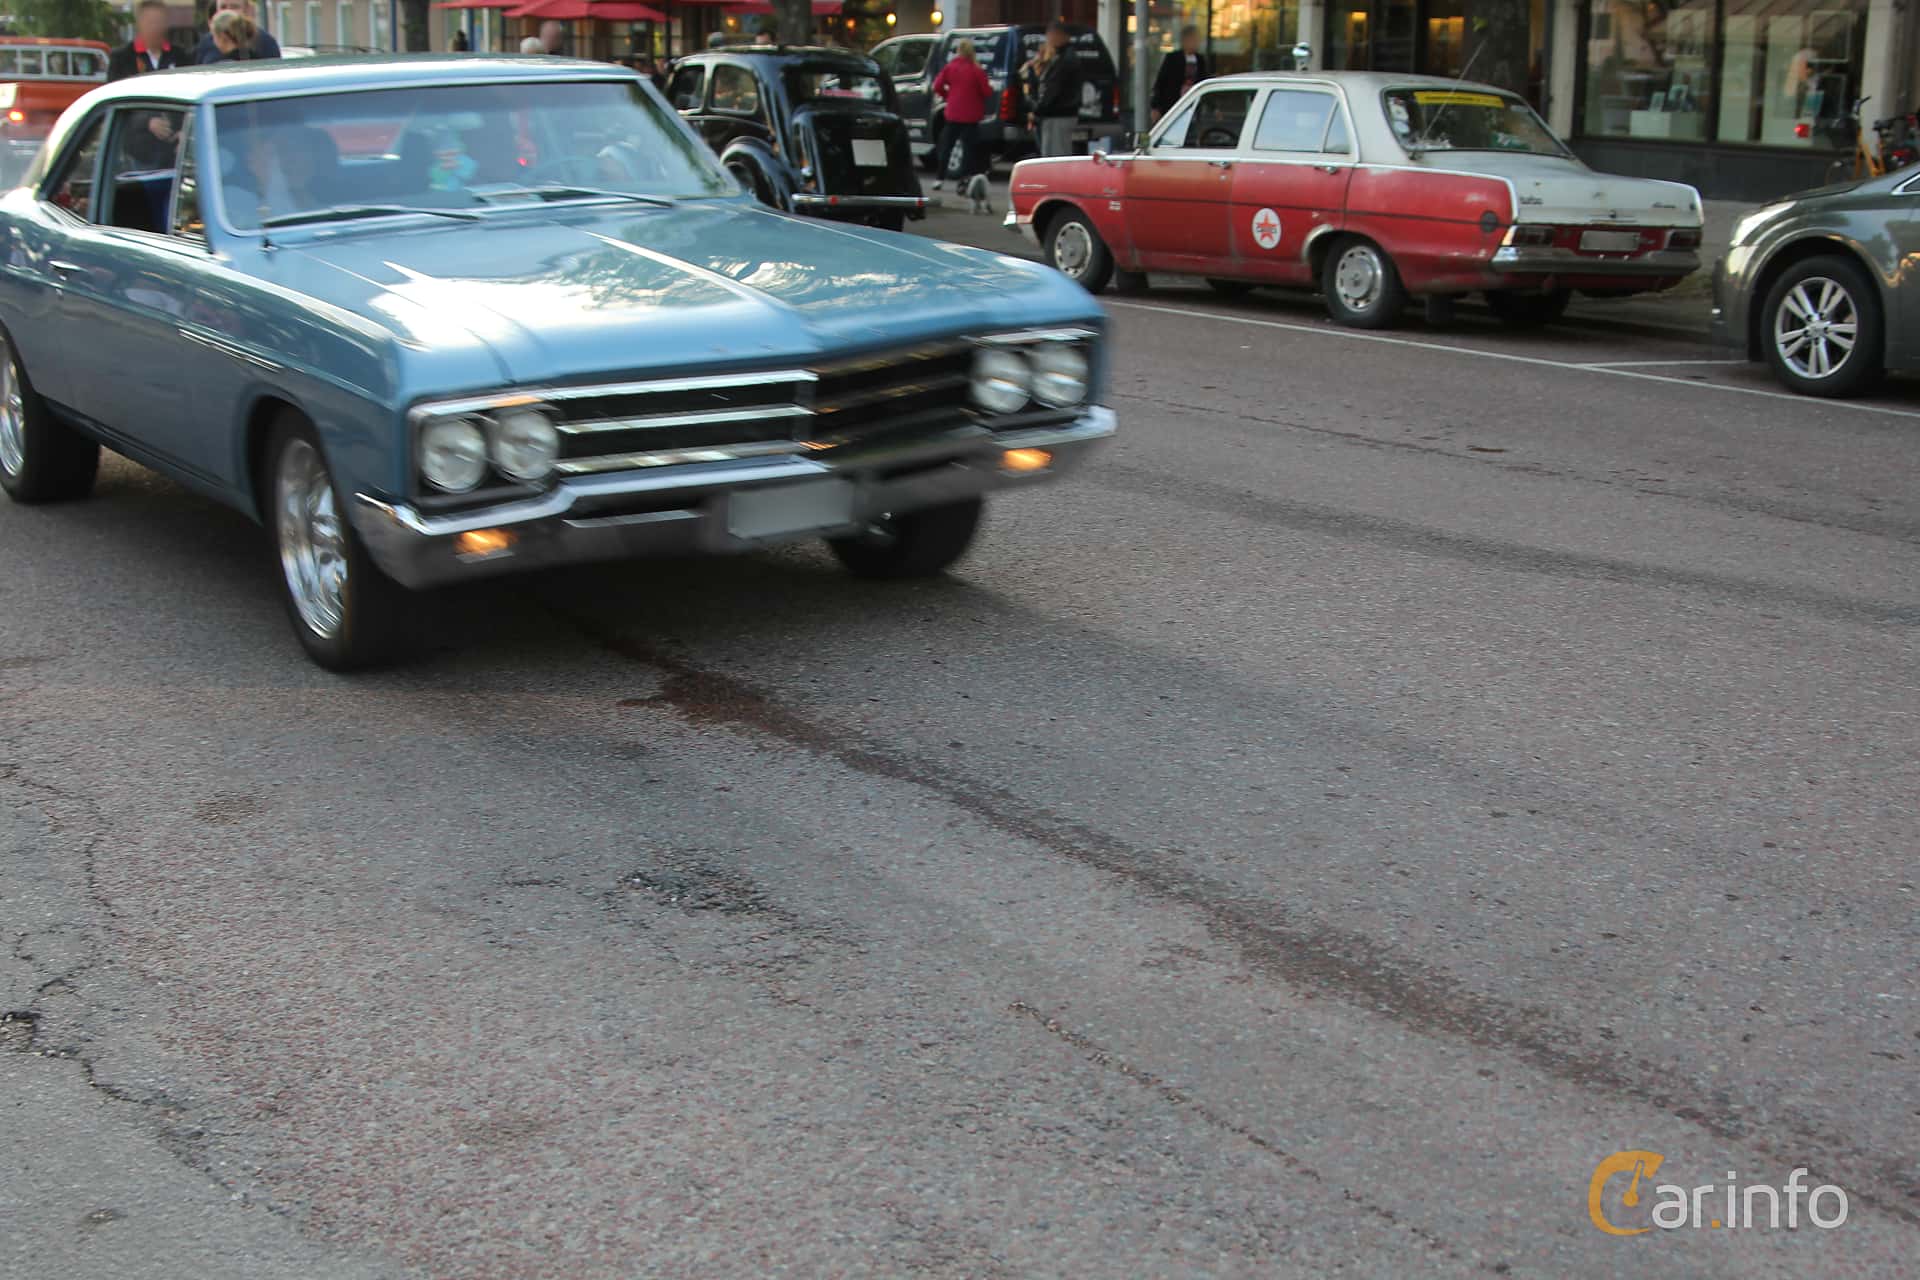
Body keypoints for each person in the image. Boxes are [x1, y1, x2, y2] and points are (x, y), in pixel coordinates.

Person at [929, 37, 991, 206]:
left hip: (953, 113)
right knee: (969, 149)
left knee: (946, 146)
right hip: (971, 115)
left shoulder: (950, 68)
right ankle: (964, 180)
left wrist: (948, 96)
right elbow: (986, 91)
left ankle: (939, 178)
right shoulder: (976, 70)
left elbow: (937, 86)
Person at [1027, 22, 1083, 158]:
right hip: (1057, 113)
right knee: (1052, 153)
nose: (1048, 40)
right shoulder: (1062, 56)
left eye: (1050, 35)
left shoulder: (1065, 59)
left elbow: (1054, 88)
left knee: (1056, 154)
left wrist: (1038, 110)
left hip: (1059, 113)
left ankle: (1058, 179)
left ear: (1060, 35)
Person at [109, 0, 187, 81]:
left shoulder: (179, 55)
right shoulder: (122, 57)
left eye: (159, 21)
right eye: (150, 22)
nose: (155, 27)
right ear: (139, 23)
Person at [194, 0, 280, 64]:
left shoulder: (265, 42)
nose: (228, 11)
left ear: (247, 9)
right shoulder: (206, 42)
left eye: (234, 7)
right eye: (223, 7)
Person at [1151, 26, 1207, 124]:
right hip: (1173, 104)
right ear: (1186, 41)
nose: (1197, 44)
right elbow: (1161, 82)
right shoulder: (1173, 58)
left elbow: (1204, 81)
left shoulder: (1200, 60)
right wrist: (1156, 107)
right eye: (1194, 40)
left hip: (1192, 104)